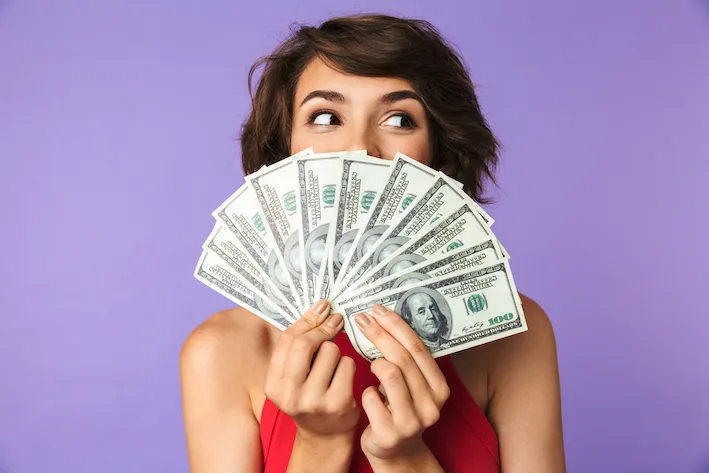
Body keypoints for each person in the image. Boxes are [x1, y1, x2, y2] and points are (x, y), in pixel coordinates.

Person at [180, 13, 566, 473]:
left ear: (438, 155)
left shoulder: (515, 338)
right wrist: (319, 443)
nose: (360, 149)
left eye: (399, 119)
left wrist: (405, 460)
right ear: (284, 151)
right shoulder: (220, 353)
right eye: (326, 117)